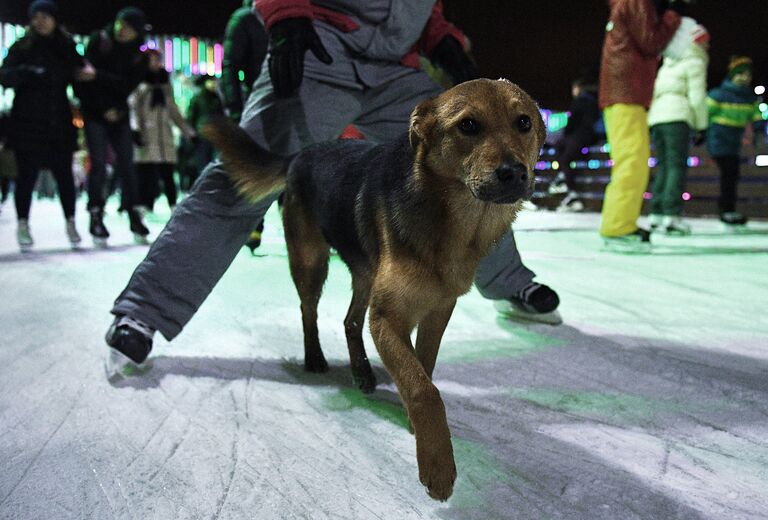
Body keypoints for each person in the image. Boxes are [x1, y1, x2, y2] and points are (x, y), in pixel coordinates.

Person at [105, 0, 562, 376]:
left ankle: (508, 282)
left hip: (395, 68)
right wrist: (285, 14)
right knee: (245, 176)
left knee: (462, 168)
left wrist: (439, 37)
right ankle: (146, 308)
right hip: (318, 51)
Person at [598, 0, 688, 252]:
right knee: (632, 161)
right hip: (626, 91)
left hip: (624, 91)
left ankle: (619, 223)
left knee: (632, 160)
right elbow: (650, 41)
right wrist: (672, 15)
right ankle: (618, 227)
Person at [0, 0, 91, 250]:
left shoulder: (66, 46)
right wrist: (27, 72)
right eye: (36, 16)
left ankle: (71, 222)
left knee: (64, 175)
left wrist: (84, 76)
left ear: (54, 19)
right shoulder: (22, 46)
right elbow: (4, 76)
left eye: (46, 16)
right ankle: (22, 224)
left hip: (58, 122)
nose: (41, 21)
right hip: (27, 122)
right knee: (26, 175)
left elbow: (81, 75)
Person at [74, 7, 150, 245]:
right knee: (98, 163)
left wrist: (98, 75)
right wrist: (102, 103)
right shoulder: (100, 41)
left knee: (127, 164)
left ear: (137, 32)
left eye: (128, 27)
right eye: (120, 23)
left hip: (119, 113)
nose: (122, 29)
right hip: (95, 112)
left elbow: (126, 85)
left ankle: (133, 214)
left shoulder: (140, 57)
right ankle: (96, 214)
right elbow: (82, 81)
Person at [646, 22, 709, 235]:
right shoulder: (694, 61)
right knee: (676, 166)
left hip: (657, 119)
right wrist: (702, 125)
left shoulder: (668, 63)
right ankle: (671, 216)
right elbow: (697, 97)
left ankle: (656, 214)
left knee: (664, 166)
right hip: (678, 117)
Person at [221, 0, 270, 253]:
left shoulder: (292, 12)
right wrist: (234, 106)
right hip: (258, 98)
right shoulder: (245, 18)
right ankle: (253, 224)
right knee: (257, 165)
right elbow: (231, 65)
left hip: (293, 96)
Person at [129, 49, 196, 213]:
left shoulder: (165, 84)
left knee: (167, 172)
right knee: (147, 173)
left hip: (164, 134)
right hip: (146, 135)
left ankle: (173, 204)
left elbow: (173, 110)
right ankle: (144, 204)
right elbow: (133, 108)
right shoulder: (139, 83)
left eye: (158, 60)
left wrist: (189, 132)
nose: (156, 63)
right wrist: (135, 129)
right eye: (152, 60)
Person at [706, 56, 763, 229]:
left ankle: (727, 209)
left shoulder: (750, 98)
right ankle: (727, 209)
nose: (745, 78)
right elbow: (706, 112)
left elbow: (757, 116)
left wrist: (759, 129)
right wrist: (700, 131)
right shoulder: (719, 94)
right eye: (740, 74)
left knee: (731, 174)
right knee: (730, 174)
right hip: (719, 139)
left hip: (734, 142)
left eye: (748, 74)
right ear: (732, 75)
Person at [548, 77, 600, 212]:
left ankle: (566, 186)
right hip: (586, 138)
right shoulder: (593, 102)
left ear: (578, 88)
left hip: (579, 137)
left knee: (563, 157)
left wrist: (566, 134)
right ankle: (564, 185)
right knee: (561, 150)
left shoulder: (581, 101)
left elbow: (573, 121)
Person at [187, 76, 225, 182]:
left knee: (214, 162)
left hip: (215, 136)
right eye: (211, 81)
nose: (214, 84)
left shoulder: (217, 97)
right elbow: (191, 117)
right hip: (202, 136)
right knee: (203, 163)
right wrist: (192, 134)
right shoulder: (199, 97)